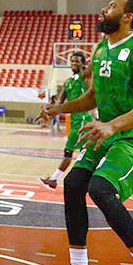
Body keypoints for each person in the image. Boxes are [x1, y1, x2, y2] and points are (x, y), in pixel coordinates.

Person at [42, 0, 133, 265]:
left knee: (101, 189)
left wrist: (112, 125)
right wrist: (58, 108)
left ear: (127, 17)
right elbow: (92, 98)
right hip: (108, 132)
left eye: (111, 6)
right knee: (73, 184)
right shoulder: (99, 50)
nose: (103, 9)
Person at [40, 52, 93, 190]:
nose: (74, 64)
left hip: (83, 120)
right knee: (84, 153)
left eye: (77, 61)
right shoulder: (68, 82)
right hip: (75, 120)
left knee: (68, 153)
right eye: (72, 61)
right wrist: (48, 112)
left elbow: (93, 66)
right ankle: (86, 181)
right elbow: (58, 104)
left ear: (83, 63)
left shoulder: (85, 77)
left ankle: (54, 180)